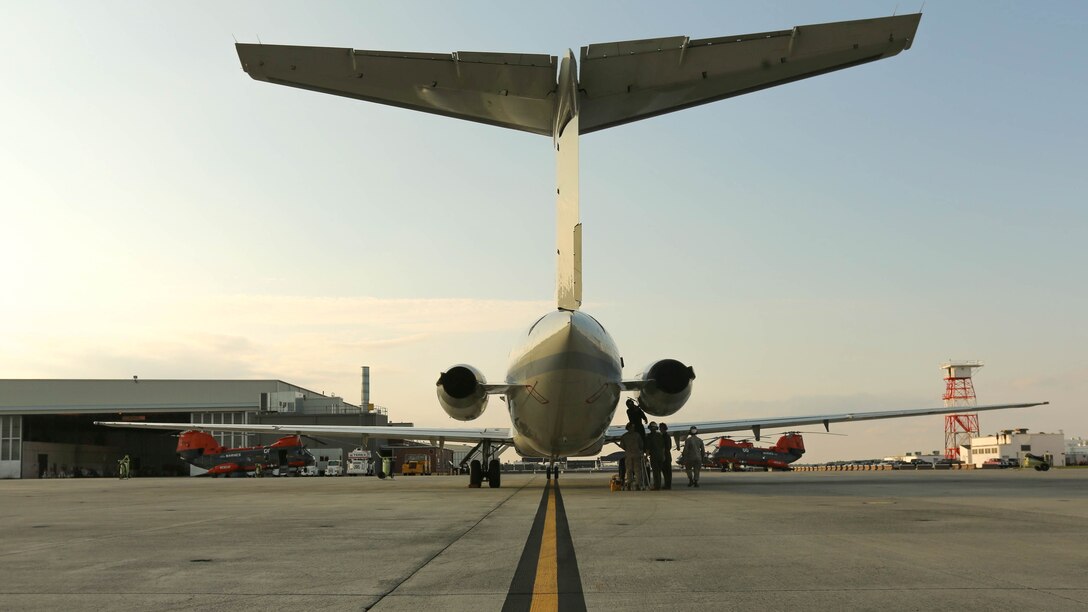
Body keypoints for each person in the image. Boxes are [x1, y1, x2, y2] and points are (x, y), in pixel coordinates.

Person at [618, 422, 644, 490]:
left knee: (629, 470)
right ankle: (638, 484)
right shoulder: (637, 435)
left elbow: (622, 446)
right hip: (637, 454)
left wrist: (628, 449)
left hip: (628, 455)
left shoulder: (624, 436)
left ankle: (629, 484)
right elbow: (641, 445)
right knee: (637, 470)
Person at [645, 422, 666, 490]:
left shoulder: (649, 436)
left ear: (650, 428)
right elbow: (663, 447)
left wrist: (646, 457)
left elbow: (648, 447)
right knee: (659, 471)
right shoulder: (660, 435)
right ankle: (658, 485)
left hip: (654, 456)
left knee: (655, 472)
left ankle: (656, 486)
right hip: (661, 456)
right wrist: (663, 455)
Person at [659, 422, 673, 490]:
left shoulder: (663, 437)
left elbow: (664, 447)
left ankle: (667, 485)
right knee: (668, 472)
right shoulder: (668, 436)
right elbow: (669, 447)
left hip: (665, 455)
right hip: (668, 455)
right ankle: (668, 485)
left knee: (666, 471)